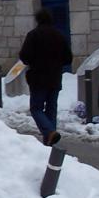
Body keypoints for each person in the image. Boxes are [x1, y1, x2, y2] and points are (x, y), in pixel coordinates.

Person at [18, 8, 73, 146]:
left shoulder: (33, 35)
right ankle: (50, 139)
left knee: (36, 108)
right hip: (55, 78)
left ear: (37, 20)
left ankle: (49, 132)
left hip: (38, 78)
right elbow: (68, 58)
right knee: (51, 108)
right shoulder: (59, 36)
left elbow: (24, 56)